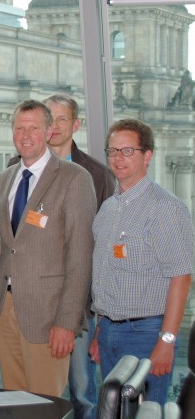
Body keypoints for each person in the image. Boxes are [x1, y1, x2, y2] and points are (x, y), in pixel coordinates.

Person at [0, 100, 96, 397]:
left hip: (49, 317)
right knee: (13, 403)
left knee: (44, 406)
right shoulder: (5, 178)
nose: (25, 134)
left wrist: (67, 323)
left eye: (33, 127)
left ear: (49, 131)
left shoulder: (74, 179)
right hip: (4, 314)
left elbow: (80, 258)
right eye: (19, 127)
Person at [90, 119, 193, 405]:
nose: (118, 158)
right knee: (116, 411)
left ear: (147, 156)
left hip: (147, 335)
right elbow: (106, 273)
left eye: (127, 151)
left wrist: (166, 342)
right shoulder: (109, 209)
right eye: (112, 151)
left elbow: (181, 278)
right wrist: (101, 328)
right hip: (110, 331)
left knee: (146, 411)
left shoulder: (166, 209)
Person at [43, 93, 115, 419]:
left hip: (79, 305)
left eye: (61, 119)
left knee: (82, 392)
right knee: (37, 395)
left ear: (76, 124)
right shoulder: (17, 167)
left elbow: (102, 246)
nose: (54, 126)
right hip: (33, 302)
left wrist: (98, 310)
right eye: (49, 118)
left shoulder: (97, 175)